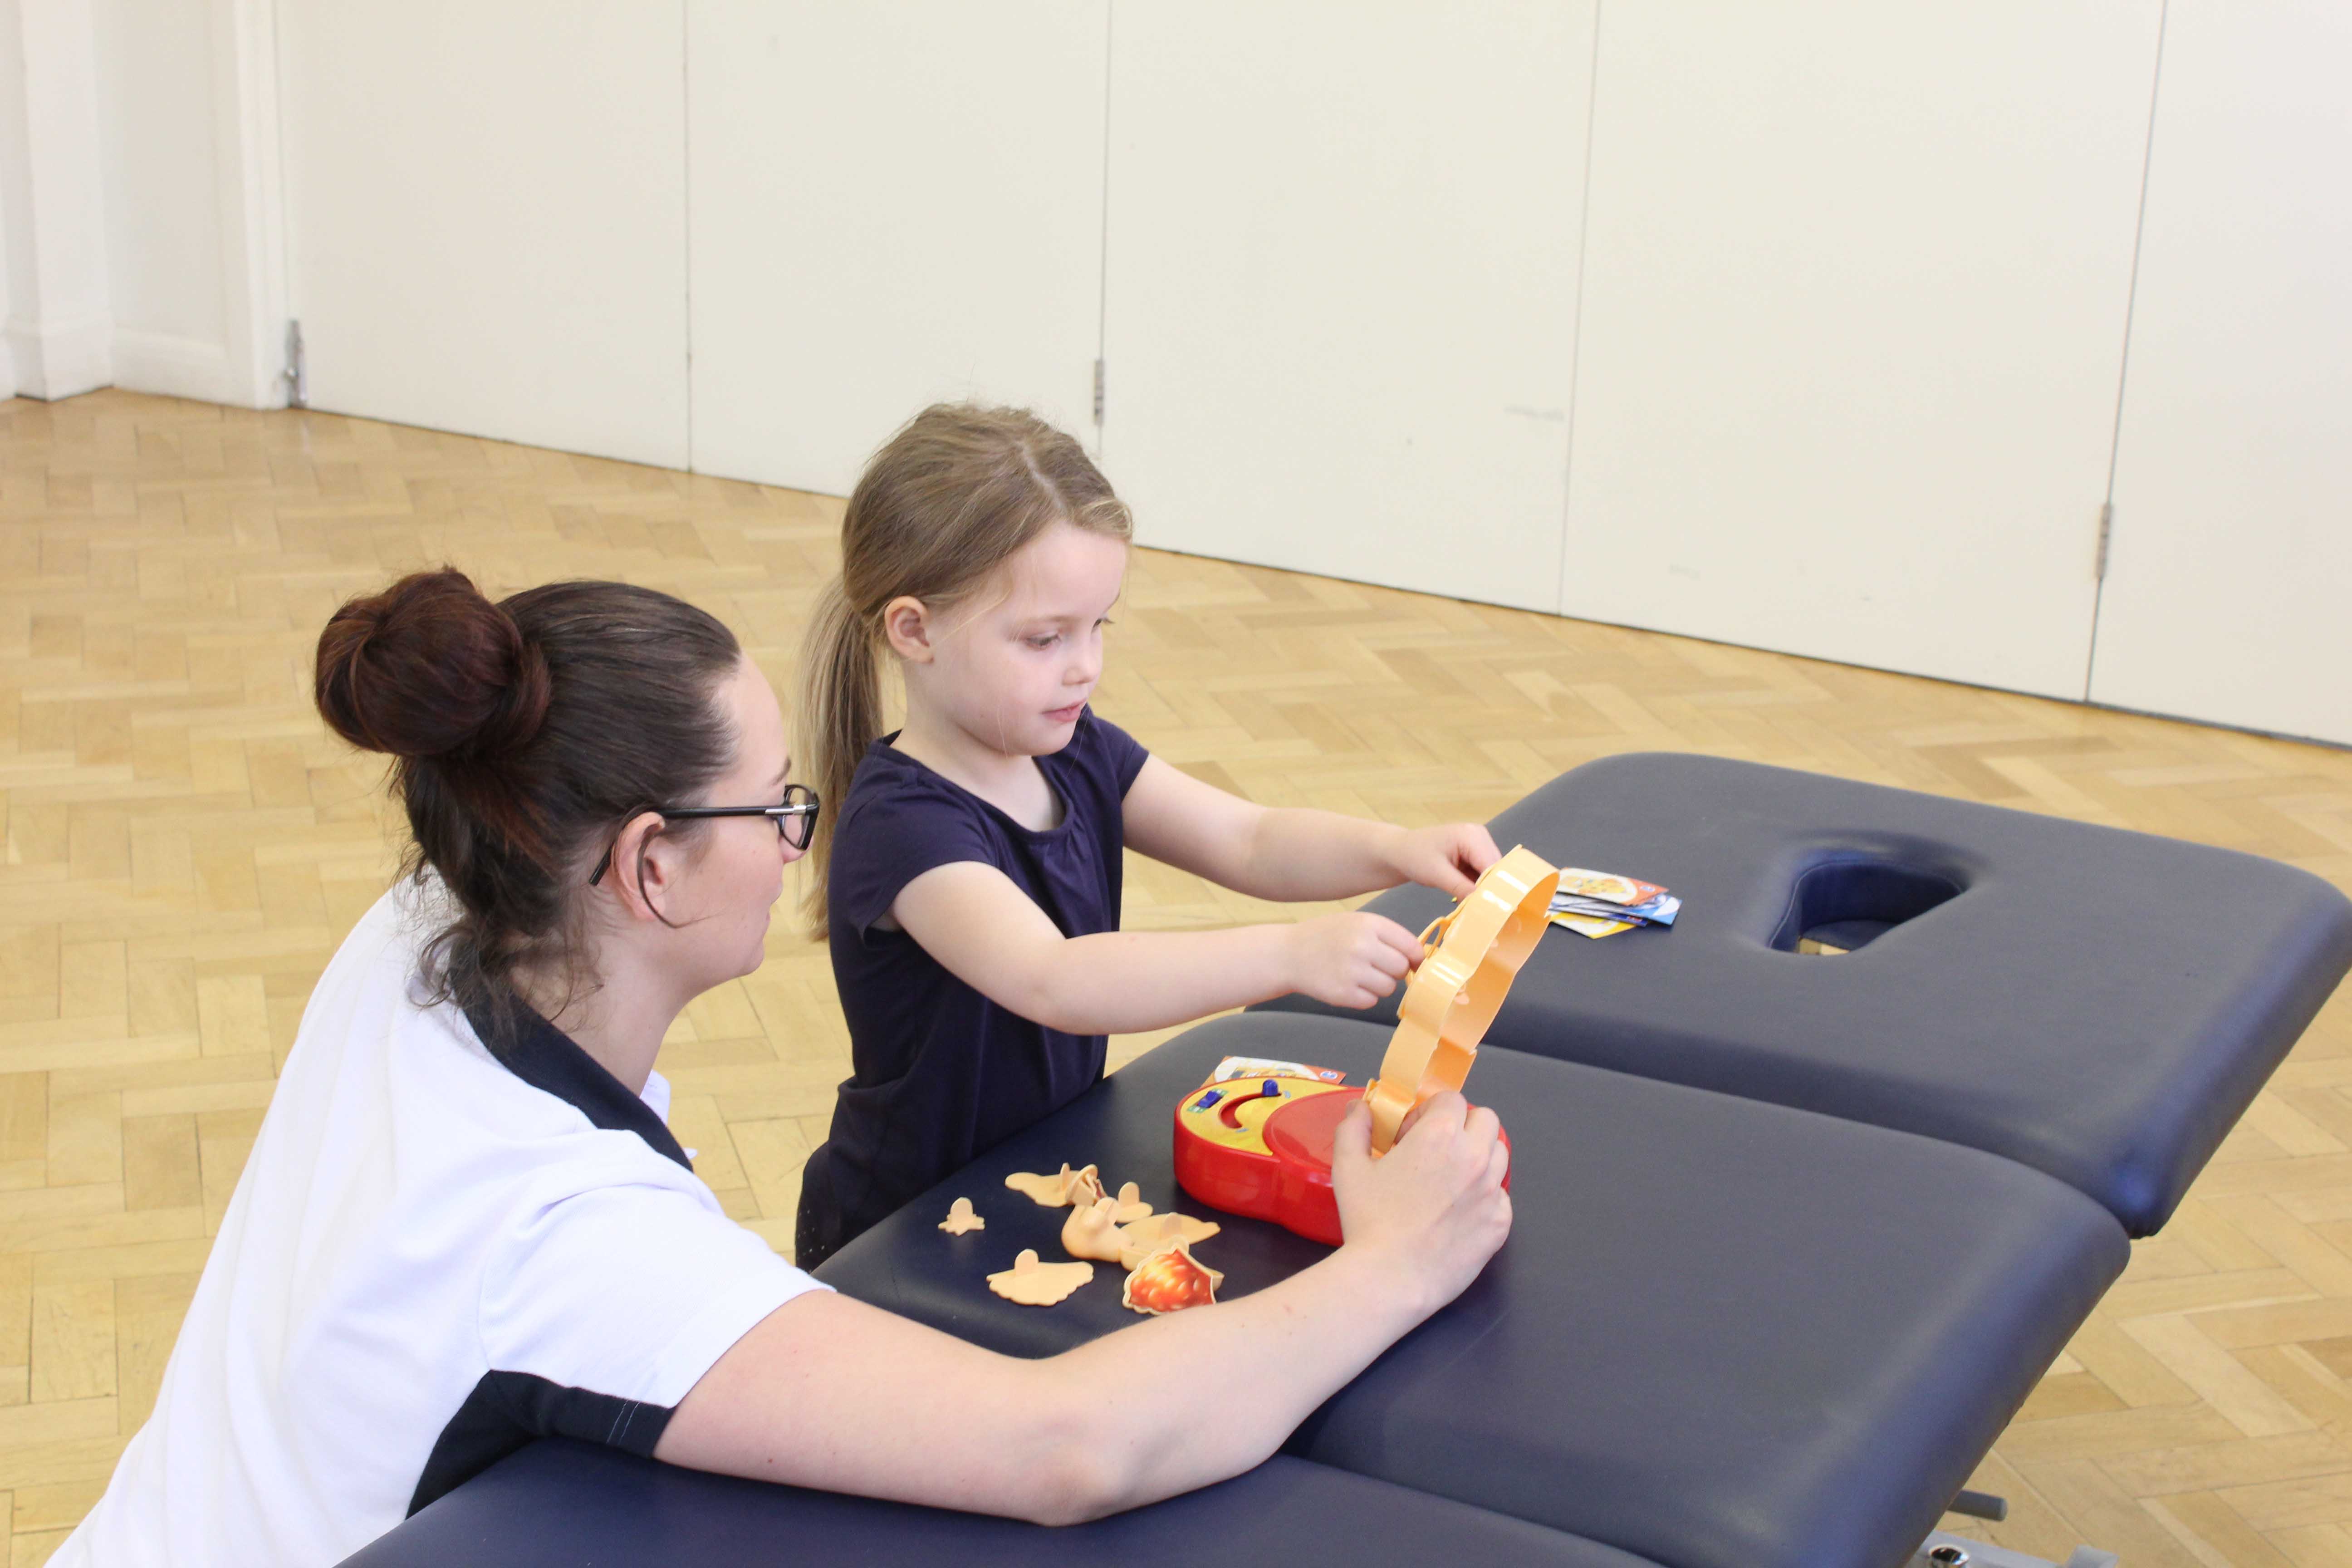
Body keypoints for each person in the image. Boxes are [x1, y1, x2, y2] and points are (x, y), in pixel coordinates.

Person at [53, 568, 1511, 1567]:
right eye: (779, 806)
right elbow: (1075, 1447)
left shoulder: (427, 916)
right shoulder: (567, 1242)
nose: (804, 839)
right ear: (648, 867)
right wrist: (1393, 1263)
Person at [793, 404, 1502, 1266]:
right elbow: (1054, 979)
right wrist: (1288, 955)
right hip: (905, 1224)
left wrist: (1394, 848)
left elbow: (1247, 838)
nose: (1085, 664)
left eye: (1100, 626)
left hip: (1029, 1179)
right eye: (1044, 637)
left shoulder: (1075, 747)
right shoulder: (903, 827)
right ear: (915, 630)